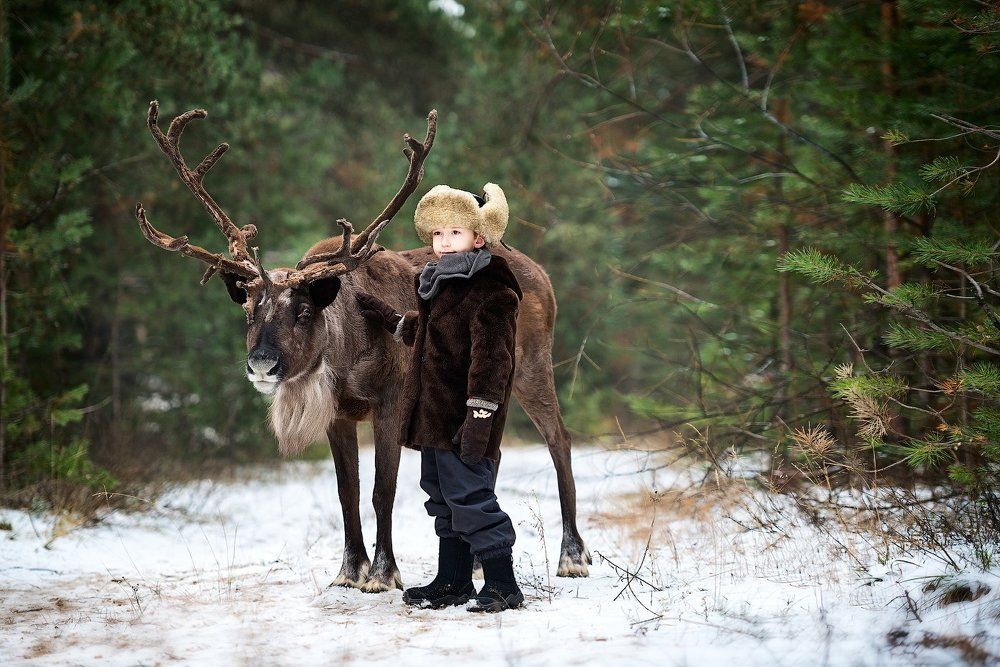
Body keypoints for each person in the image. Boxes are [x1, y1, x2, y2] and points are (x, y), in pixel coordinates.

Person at [354, 183, 524, 613]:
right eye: (437, 235)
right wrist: (386, 317)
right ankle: (453, 580)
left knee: (471, 498)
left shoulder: (490, 290)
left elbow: (493, 363)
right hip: (434, 418)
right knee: (442, 498)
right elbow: (429, 339)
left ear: (479, 238)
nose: (444, 243)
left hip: (467, 420)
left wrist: (480, 418)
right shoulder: (442, 284)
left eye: (455, 233)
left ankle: (503, 583)